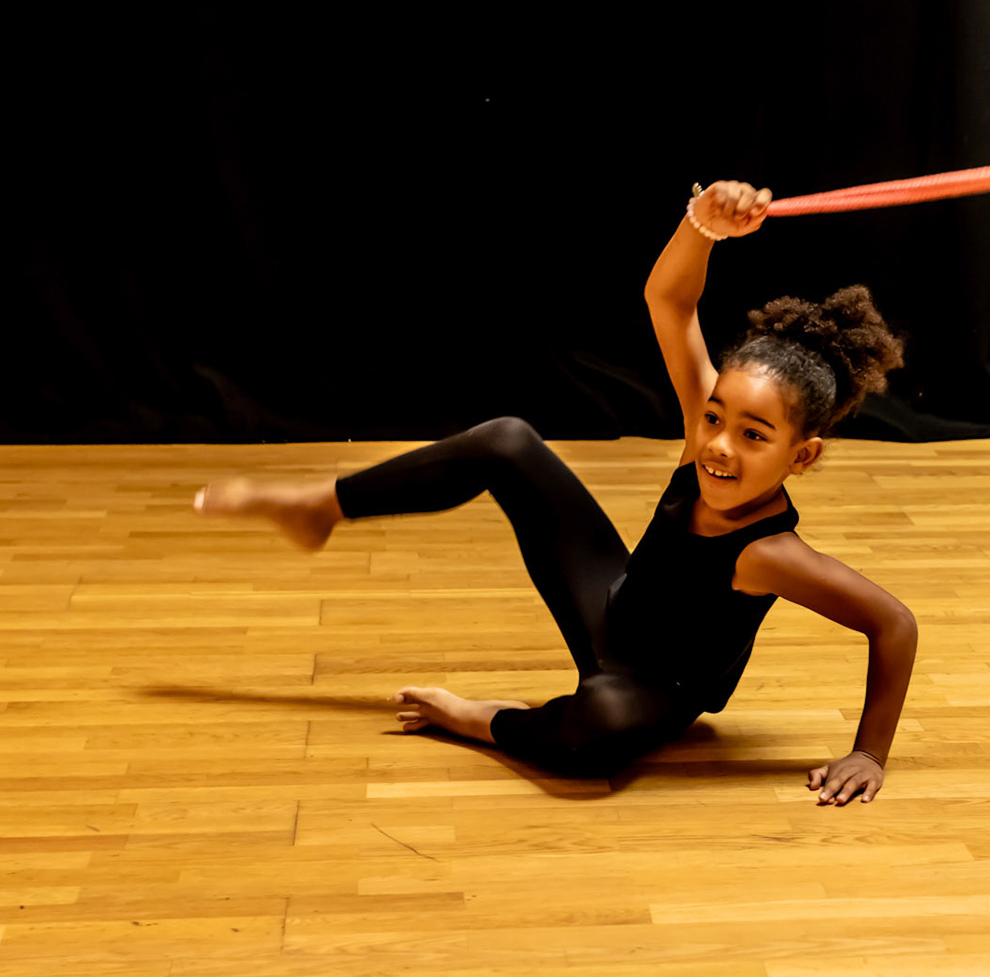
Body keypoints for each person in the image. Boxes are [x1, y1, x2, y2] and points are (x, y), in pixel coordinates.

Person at [194, 181, 917, 805]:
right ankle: (321, 505)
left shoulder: (771, 553)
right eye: (713, 418)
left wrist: (869, 753)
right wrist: (702, 224)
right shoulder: (705, 440)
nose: (719, 445)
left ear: (802, 456)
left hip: (648, 692)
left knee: (594, 735)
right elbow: (669, 300)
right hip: (611, 605)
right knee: (506, 440)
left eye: (754, 436)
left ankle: (476, 718)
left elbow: (894, 625)